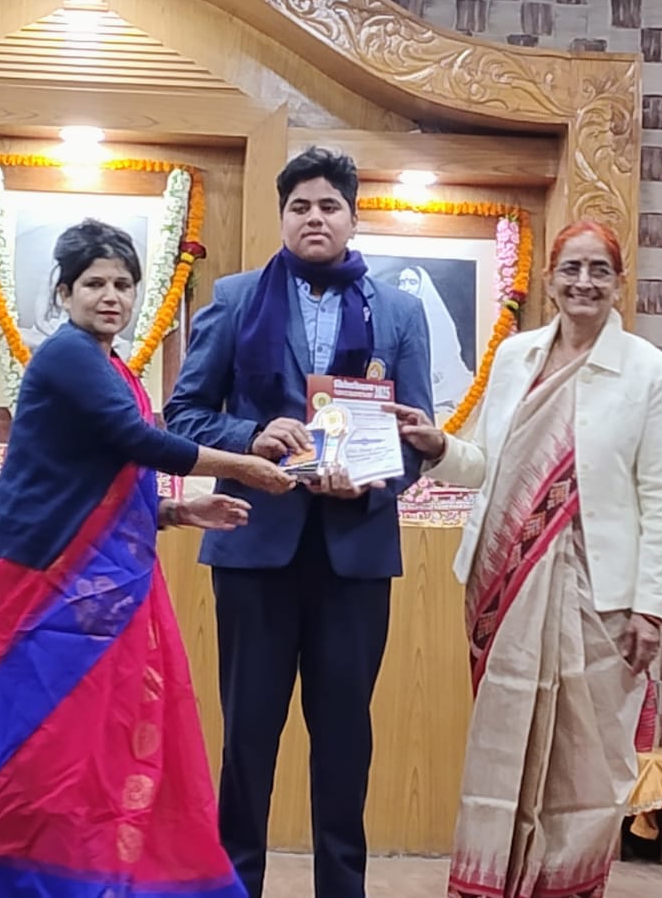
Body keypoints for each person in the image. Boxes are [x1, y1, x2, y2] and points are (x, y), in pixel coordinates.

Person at [0, 220, 292, 894]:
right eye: (94, 284)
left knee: (101, 749)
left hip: (96, 588)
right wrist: (243, 463)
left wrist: (177, 511)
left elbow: (96, 476)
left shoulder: (107, 364)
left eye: (123, 284)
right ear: (64, 293)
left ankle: (103, 881)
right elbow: (136, 440)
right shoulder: (68, 355)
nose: (110, 296)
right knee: (43, 757)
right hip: (46, 585)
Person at [162, 147, 433, 898]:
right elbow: (183, 414)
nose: (315, 218)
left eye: (329, 206)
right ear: (282, 217)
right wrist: (251, 437)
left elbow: (417, 437)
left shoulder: (398, 311)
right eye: (300, 207)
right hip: (256, 547)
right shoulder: (236, 298)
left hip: (356, 554)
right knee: (248, 739)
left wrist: (373, 479)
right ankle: (232, 886)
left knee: (345, 741)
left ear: (353, 217)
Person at [383, 221, 662, 898]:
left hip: (602, 599)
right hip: (507, 586)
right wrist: (438, 447)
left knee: (587, 764)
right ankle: (492, 882)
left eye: (599, 270)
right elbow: (489, 466)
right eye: (571, 269)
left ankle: (566, 885)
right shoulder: (515, 358)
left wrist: (650, 609)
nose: (584, 283)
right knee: (502, 747)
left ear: (619, 283)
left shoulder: (651, 373)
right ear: (549, 279)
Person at [397, 264, 474, 414]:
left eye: (412, 282)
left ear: (423, 286)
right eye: (402, 282)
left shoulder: (438, 316)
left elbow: (448, 353)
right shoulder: (395, 314)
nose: (406, 288)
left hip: (438, 377)